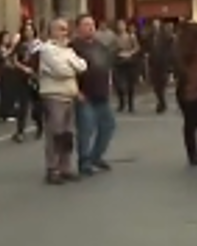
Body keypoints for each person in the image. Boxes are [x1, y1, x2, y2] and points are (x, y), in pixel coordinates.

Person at [38, 19, 86, 184]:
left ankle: (65, 167)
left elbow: (83, 66)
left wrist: (71, 65)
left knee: (67, 135)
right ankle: (52, 169)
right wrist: (72, 66)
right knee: (55, 134)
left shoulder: (68, 50)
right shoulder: (47, 50)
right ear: (51, 31)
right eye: (60, 29)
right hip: (54, 96)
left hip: (69, 96)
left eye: (65, 30)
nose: (64, 33)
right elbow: (61, 71)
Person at [71, 15, 117, 175]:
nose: (90, 27)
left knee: (108, 126)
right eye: (86, 25)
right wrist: (76, 92)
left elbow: (107, 68)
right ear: (78, 28)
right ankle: (84, 161)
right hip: (85, 95)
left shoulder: (100, 46)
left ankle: (96, 156)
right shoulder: (74, 47)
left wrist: (109, 84)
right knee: (86, 129)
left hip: (102, 93)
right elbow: (70, 72)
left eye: (92, 24)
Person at [173, 22, 197, 167]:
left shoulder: (181, 49)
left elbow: (179, 70)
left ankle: (192, 154)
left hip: (184, 91)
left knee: (190, 124)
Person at [11, 22, 42, 142]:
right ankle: (20, 132)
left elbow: (43, 61)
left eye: (30, 30)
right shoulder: (20, 46)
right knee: (22, 106)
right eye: (26, 30)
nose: (28, 32)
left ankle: (39, 126)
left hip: (36, 78)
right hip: (22, 78)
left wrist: (36, 73)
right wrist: (22, 67)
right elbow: (14, 60)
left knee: (37, 107)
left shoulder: (39, 46)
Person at [114, 20, 140, 113]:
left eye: (122, 25)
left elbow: (137, 47)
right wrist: (117, 52)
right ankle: (121, 103)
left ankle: (130, 104)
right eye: (119, 25)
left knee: (130, 85)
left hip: (129, 62)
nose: (120, 27)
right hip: (119, 62)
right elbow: (112, 48)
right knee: (119, 84)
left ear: (125, 26)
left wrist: (130, 53)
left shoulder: (131, 36)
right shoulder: (115, 37)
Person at [148, 20, 174, 114]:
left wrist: (170, 62)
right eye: (153, 24)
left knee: (162, 84)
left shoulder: (165, 36)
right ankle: (161, 101)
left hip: (163, 63)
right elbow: (147, 47)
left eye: (157, 24)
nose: (155, 26)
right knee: (155, 86)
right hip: (153, 63)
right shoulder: (150, 36)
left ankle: (161, 103)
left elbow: (170, 46)